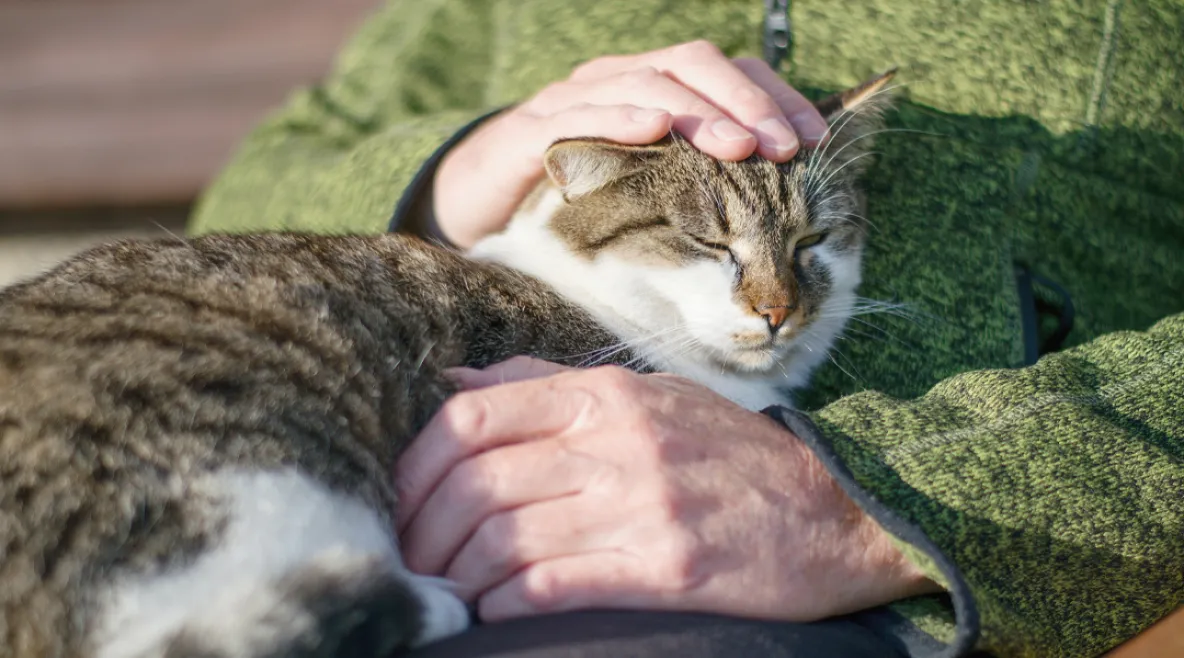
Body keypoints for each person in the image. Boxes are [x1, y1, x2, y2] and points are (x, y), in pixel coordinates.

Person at [188, 1, 1184, 656]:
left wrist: (870, 495)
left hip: (931, 599)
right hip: (395, 502)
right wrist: (460, 167)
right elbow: (242, 195)